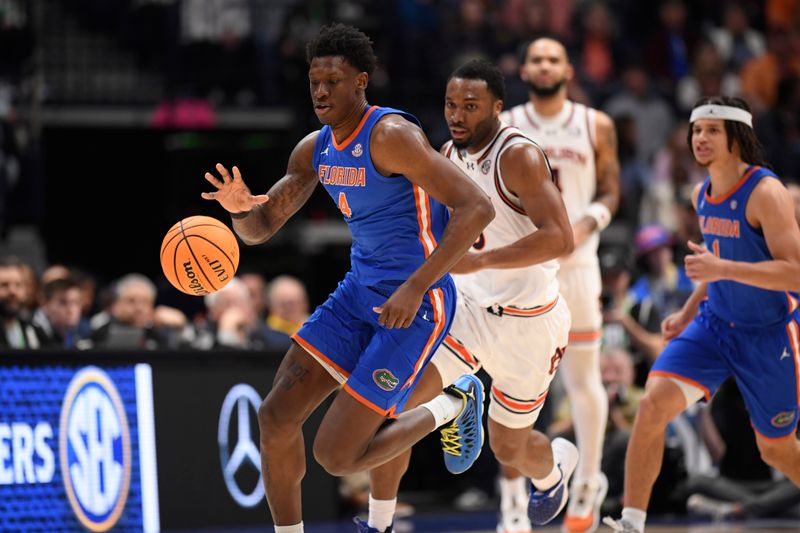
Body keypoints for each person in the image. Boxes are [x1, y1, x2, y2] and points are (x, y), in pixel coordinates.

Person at [200, 23, 495, 532]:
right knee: (274, 417)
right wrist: (239, 210)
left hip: (417, 303)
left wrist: (415, 286)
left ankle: (451, 402)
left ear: (361, 82)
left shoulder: (392, 137)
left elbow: (477, 208)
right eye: (314, 81)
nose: (320, 91)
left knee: (336, 457)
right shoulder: (314, 148)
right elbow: (261, 228)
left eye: (332, 81)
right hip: (359, 293)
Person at [364, 58, 577, 533]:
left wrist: (481, 262)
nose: (457, 115)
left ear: (498, 108)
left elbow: (561, 238)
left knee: (510, 449)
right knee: (389, 399)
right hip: (467, 311)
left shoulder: (517, 156)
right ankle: (379, 524)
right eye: (451, 104)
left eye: (470, 106)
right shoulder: (447, 153)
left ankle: (554, 473)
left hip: (530, 321)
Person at [603, 96, 800, 533]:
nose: (700, 138)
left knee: (776, 450)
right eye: (696, 130)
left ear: (737, 137)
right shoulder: (700, 193)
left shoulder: (767, 192)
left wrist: (722, 269)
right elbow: (716, 259)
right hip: (714, 325)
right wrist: (687, 311)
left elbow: (795, 272)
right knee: (653, 404)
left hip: (769, 334)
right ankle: (631, 523)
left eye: (712, 130)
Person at [501, 36, 620, 533]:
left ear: (568, 69)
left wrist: (589, 223)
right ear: (524, 70)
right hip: (522, 267)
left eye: (553, 58)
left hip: (577, 264)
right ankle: (512, 504)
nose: (545, 65)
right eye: (536, 59)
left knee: (581, 379)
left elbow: (612, 188)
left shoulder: (596, 124)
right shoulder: (505, 125)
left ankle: (588, 484)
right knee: (509, 387)